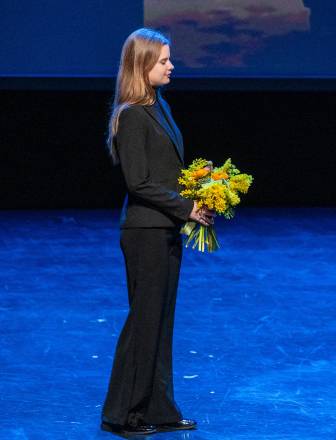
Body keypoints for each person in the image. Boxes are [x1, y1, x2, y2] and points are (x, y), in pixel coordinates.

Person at [101, 28, 213, 437]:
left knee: (161, 322)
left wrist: (202, 189)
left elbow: (165, 171)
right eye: (163, 60)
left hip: (165, 228)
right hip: (145, 231)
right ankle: (122, 413)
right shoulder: (132, 114)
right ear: (142, 65)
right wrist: (187, 207)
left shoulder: (158, 105)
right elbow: (140, 182)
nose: (171, 66)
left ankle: (159, 407)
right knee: (144, 322)